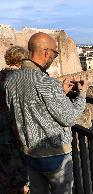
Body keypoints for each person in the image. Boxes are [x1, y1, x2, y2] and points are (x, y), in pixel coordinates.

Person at [5, 32, 88, 194]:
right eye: (55, 54)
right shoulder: (46, 81)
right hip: (55, 155)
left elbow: (30, 105)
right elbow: (69, 117)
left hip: (29, 154)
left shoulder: (11, 80)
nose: (54, 58)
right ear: (46, 52)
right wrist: (82, 95)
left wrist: (60, 92)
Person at [0, 46, 30, 194]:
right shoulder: (18, 79)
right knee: (19, 168)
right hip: (14, 130)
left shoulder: (1, 76)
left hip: (2, 130)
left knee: (5, 167)